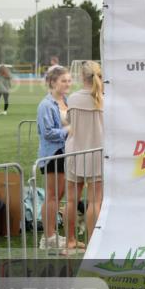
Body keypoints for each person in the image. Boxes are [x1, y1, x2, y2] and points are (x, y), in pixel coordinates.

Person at [64, 61, 104, 249]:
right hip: (96, 153)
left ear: (82, 76)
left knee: (72, 200)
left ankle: (70, 239)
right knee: (95, 201)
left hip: (75, 153)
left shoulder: (72, 98)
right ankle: (92, 244)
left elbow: (69, 122)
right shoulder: (104, 99)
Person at [37, 65, 73, 250]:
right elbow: (48, 133)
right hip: (53, 154)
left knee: (59, 196)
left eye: (69, 80)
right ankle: (48, 237)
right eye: (63, 81)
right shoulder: (46, 105)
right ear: (52, 82)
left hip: (66, 152)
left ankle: (52, 235)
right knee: (52, 196)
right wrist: (69, 130)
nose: (68, 84)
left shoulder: (66, 100)